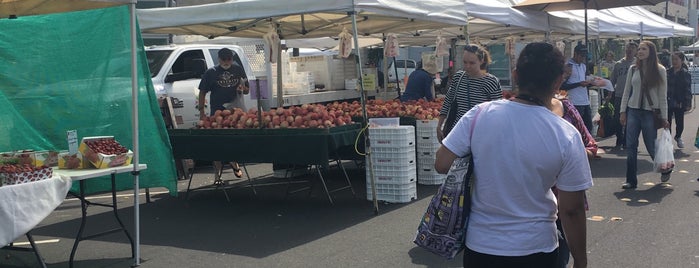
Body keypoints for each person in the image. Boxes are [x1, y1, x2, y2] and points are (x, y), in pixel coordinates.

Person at [435, 42, 592, 268]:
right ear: (558, 81)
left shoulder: (479, 115)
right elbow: (572, 209)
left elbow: (441, 164)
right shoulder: (566, 134)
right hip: (537, 248)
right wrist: (581, 259)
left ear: (515, 75)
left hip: (481, 247)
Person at [619, 41, 670, 189]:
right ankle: (630, 180)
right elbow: (627, 91)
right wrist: (623, 111)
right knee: (631, 146)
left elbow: (662, 96)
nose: (640, 51)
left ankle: (665, 167)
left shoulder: (660, 70)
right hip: (633, 111)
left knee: (651, 146)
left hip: (649, 112)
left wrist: (665, 118)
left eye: (644, 49)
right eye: (639, 49)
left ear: (651, 52)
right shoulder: (633, 68)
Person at [198, 48, 250, 184]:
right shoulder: (211, 73)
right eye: (224, 60)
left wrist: (242, 89)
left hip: (236, 112)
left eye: (229, 60)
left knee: (233, 141)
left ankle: (234, 161)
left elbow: (247, 89)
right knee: (216, 143)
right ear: (219, 59)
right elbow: (202, 92)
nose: (227, 62)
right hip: (217, 112)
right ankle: (218, 175)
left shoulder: (238, 70)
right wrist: (202, 113)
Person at [436, 44, 502, 142]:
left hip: (481, 134)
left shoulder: (491, 81)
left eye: (472, 63)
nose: (467, 66)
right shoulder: (459, 77)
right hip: (458, 131)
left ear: (481, 61)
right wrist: (439, 125)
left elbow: (498, 111)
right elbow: (448, 101)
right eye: (465, 62)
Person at [610, 41, 639, 150]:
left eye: (632, 49)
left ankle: (627, 140)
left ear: (635, 51)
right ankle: (619, 138)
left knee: (630, 119)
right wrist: (609, 92)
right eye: (627, 48)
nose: (629, 51)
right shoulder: (618, 64)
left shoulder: (637, 64)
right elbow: (612, 80)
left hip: (633, 96)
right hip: (619, 95)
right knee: (618, 118)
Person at [562, 43, 593, 133]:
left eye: (584, 56)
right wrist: (579, 84)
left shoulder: (583, 66)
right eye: (581, 56)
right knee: (577, 128)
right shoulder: (568, 66)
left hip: (585, 101)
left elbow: (584, 81)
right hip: (574, 102)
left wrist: (591, 82)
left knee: (588, 128)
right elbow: (562, 86)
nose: (583, 58)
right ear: (575, 54)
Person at [666, 51, 693, 148]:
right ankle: (668, 139)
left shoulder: (685, 74)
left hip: (679, 101)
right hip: (668, 100)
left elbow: (688, 89)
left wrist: (688, 102)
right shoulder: (667, 72)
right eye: (673, 59)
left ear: (681, 60)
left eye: (676, 59)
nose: (674, 61)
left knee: (679, 122)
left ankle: (678, 136)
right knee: (667, 121)